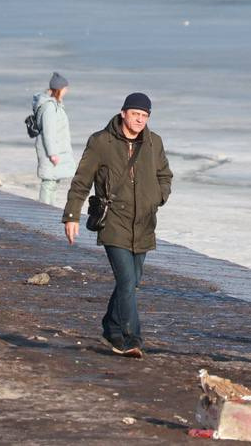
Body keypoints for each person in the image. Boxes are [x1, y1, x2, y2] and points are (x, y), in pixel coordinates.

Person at [62, 93, 172, 359]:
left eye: (145, 116)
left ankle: (110, 326)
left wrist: (158, 197)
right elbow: (82, 180)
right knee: (126, 281)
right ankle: (130, 338)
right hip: (113, 221)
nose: (140, 120)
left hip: (144, 223)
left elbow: (165, 174)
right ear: (123, 113)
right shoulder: (101, 142)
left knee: (132, 283)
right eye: (136, 114)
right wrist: (71, 216)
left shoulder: (153, 142)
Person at [32, 72, 75, 206]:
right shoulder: (50, 107)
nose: (66, 90)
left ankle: (49, 207)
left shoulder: (55, 105)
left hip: (56, 150)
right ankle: (44, 209)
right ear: (59, 89)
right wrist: (53, 154)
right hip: (50, 151)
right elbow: (48, 132)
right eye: (65, 88)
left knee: (53, 182)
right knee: (49, 182)